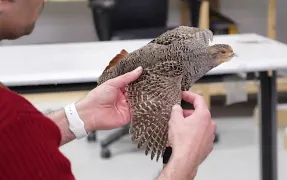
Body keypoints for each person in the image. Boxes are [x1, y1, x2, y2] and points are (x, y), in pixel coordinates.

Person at [0, 0, 216, 179]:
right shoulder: (12, 119)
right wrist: (184, 161)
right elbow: (15, 134)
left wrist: (80, 116)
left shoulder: (13, 121)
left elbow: (21, 139)